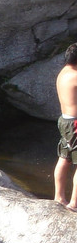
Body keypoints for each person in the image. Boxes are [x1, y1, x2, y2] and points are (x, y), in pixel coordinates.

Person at [54, 43, 77, 211]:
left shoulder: (63, 72)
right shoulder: (75, 75)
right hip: (75, 123)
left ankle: (59, 197)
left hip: (64, 121)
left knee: (64, 158)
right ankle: (74, 204)